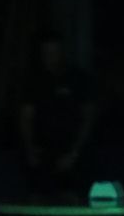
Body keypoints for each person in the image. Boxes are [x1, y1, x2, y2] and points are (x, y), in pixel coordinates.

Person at [17, 31, 97, 196]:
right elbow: (26, 117)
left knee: (72, 197)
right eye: (46, 53)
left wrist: (74, 153)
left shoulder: (77, 78)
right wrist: (30, 149)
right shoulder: (34, 80)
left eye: (54, 52)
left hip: (72, 152)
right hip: (43, 155)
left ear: (62, 52)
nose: (50, 57)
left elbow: (88, 117)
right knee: (39, 197)